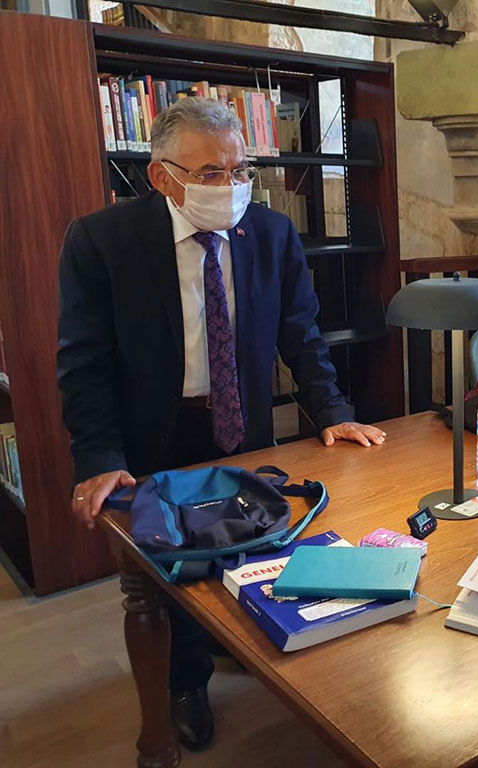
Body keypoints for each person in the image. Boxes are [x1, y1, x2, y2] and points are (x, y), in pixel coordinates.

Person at [57, 98, 386, 751]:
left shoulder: (271, 233)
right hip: (155, 434)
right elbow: (83, 363)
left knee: (251, 544)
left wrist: (335, 413)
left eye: (240, 171)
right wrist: (99, 457)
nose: (230, 186)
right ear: (161, 176)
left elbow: (302, 335)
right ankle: (185, 682)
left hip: (243, 424)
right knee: (172, 568)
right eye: (210, 173)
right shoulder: (101, 241)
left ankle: (239, 641)